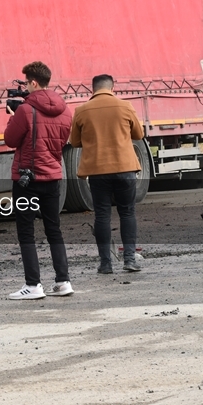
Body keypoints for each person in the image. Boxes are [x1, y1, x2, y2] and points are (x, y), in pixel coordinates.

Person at [3, 61, 74, 300]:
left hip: (27, 179)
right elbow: (61, 142)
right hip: (53, 176)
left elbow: (11, 140)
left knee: (26, 232)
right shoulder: (65, 111)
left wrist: (13, 118)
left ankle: (33, 285)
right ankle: (63, 281)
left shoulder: (24, 110)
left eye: (26, 83)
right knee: (54, 230)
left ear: (33, 82)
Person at [69, 74, 145, 273]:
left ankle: (105, 264)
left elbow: (75, 142)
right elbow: (138, 135)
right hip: (125, 168)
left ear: (92, 89)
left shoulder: (81, 111)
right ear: (113, 88)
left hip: (97, 170)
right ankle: (129, 259)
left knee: (102, 215)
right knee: (127, 212)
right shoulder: (125, 107)